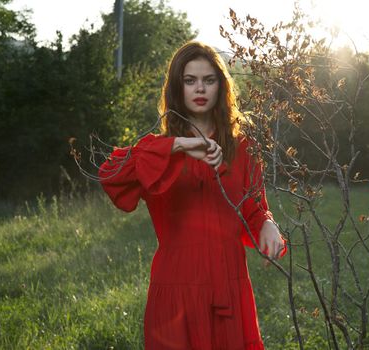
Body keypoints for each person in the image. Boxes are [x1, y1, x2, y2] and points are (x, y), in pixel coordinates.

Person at [99, 41, 287, 350]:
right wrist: (178, 146)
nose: (200, 88)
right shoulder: (157, 151)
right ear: (177, 87)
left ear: (220, 87)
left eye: (208, 80)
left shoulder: (243, 148)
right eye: (190, 81)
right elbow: (110, 173)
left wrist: (267, 222)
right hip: (176, 288)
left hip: (229, 286)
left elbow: (252, 209)